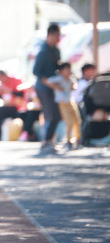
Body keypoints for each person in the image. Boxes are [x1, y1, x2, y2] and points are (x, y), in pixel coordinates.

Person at [32, 24, 62, 153]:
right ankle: (46, 141)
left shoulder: (56, 50)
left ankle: (49, 140)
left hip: (54, 87)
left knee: (57, 115)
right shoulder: (43, 51)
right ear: (50, 35)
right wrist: (50, 84)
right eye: (56, 36)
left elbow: (58, 67)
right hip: (43, 87)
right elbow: (36, 71)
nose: (57, 39)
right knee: (51, 115)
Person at [47, 62, 81, 148]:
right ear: (61, 71)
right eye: (67, 69)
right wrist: (56, 86)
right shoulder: (58, 79)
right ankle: (68, 140)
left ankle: (78, 139)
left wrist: (73, 85)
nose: (69, 71)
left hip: (70, 101)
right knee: (69, 122)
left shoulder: (70, 78)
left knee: (77, 120)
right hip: (62, 103)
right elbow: (48, 81)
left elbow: (75, 86)